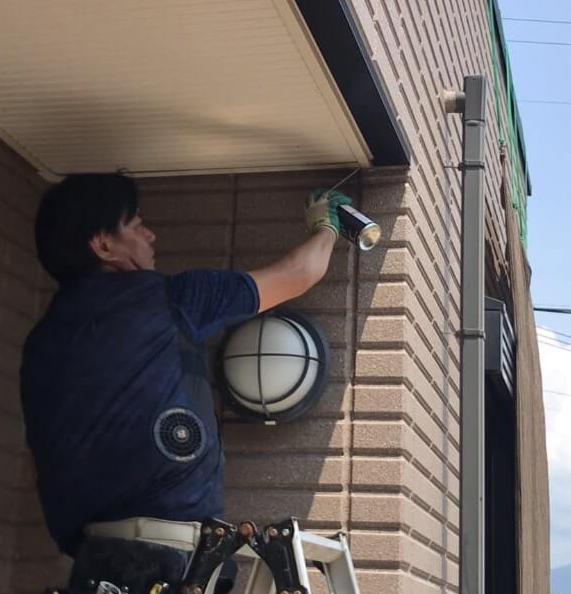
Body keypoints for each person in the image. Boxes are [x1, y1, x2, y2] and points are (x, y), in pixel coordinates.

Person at [20, 173, 350, 566]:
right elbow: (299, 274)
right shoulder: (167, 299)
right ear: (103, 244)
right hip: (171, 547)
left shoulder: (41, 342)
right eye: (137, 224)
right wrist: (327, 225)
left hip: (90, 552)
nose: (150, 236)